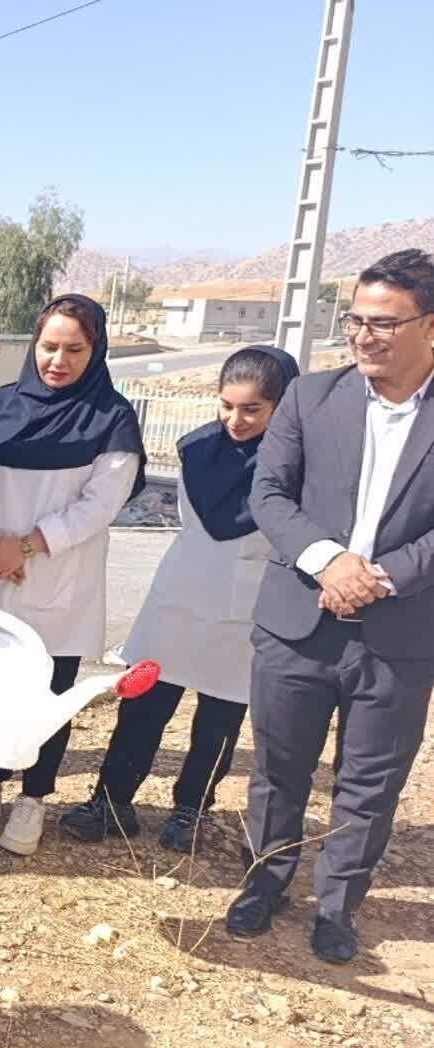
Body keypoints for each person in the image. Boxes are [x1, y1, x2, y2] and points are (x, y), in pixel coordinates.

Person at [228, 249, 434, 965]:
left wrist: (379, 575)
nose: (364, 336)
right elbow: (270, 497)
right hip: (297, 625)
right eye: (355, 320)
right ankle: (263, 883)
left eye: (384, 322)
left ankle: (339, 906)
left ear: (429, 328)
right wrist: (329, 561)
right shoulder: (311, 399)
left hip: (400, 634)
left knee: (370, 783)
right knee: (279, 767)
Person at [61, 346, 298, 852]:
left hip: (245, 611)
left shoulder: (296, 466)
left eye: (252, 409)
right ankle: (111, 801)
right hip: (179, 595)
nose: (235, 419)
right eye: (226, 405)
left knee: (218, 719)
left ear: (283, 406)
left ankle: (191, 809)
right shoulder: (196, 449)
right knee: (143, 704)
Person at [0, 295, 146, 857]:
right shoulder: (1, 405)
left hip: (59, 574)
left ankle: (33, 797)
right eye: (48, 346)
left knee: (50, 691)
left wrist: (27, 546)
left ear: (96, 350)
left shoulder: (111, 419)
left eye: (74, 350)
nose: (58, 360)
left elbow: (99, 504)